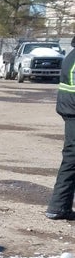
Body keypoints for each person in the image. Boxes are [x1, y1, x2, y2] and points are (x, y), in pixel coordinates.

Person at [46, 35, 75, 220]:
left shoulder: (72, 55)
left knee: (71, 158)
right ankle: (58, 207)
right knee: (72, 158)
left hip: (70, 109)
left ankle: (59, 206)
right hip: (73, 110)